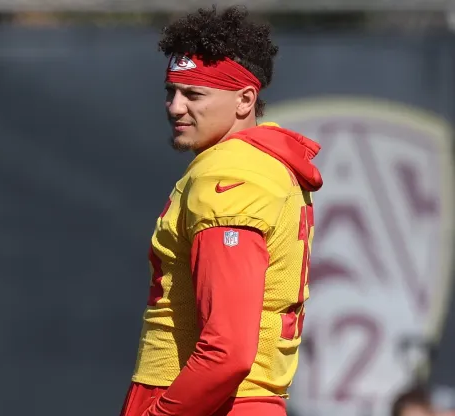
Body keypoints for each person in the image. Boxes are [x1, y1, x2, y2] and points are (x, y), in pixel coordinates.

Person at [120, 6, 323, 416]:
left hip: (210, 404)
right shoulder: (262, 164)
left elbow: (228, 351)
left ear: (245, 99)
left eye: (194, 94)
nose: (175, 107)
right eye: (171, 91)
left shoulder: (231, 175)